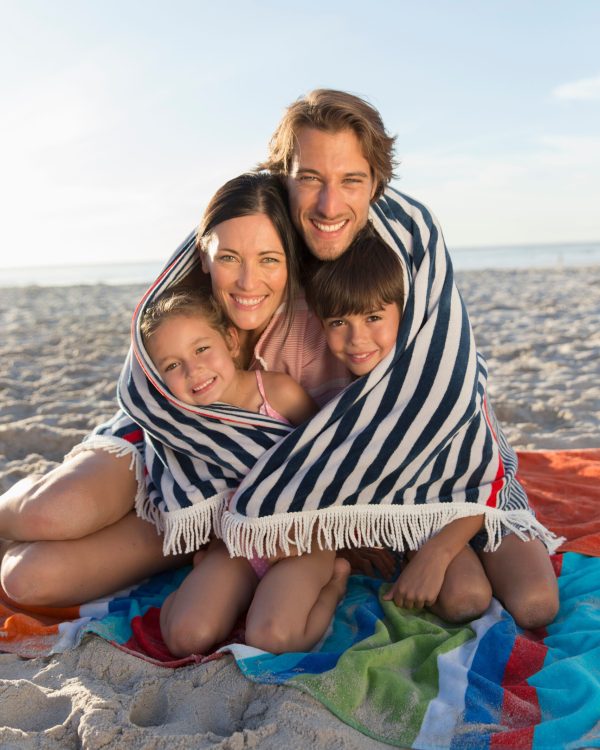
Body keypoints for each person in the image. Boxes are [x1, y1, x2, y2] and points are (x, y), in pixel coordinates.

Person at [231, 88, 557, 629]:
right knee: (464, 599)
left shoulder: (412, 249)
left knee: (536, 604)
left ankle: (436, 544)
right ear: (283, 175)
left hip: (472, 468)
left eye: (350, 180)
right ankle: (421, 541)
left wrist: (438, 549)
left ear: (376, 182)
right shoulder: (271, 238)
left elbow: (458, 408)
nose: (330, 205)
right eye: (310, 178)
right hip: (395, 487)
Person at [0, 172, 353, 608]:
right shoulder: (183, 305)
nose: (247, 281)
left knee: (26, 579)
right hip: (151, 445)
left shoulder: (313, 325)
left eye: (269, 259)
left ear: (291, 260)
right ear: (202, 256)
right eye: (228, 257)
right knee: (50, 513)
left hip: (199, 507)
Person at [139, 287, 349, 656]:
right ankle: (211, 587)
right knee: (185, 637)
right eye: (172, 365)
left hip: (301, 540)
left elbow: (326, 458)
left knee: (272, 638)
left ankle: (334, 583)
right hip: (237, 545)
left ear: (231, 341)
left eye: (202, 348)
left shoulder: (277, 393)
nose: (193, 369)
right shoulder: (182, 426)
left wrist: (313, 528)